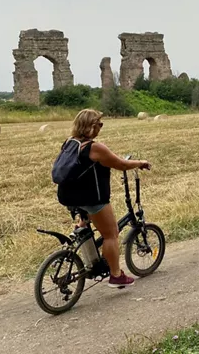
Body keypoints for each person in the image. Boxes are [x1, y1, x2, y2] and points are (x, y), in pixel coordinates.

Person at [60, 109, 151, 288]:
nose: (101, 127)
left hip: (68, 195)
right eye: (99, 124)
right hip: (91, 197)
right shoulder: (95, 147)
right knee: (111, 234)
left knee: (85, 222)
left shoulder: (70, 143)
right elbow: (121, 164)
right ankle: (116, 275)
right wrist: (140, 163)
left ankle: (84, 245)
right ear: (90, 126)